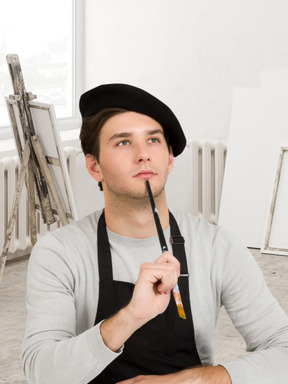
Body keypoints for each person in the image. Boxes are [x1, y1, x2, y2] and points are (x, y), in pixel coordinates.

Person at [22, 83, 288, 384]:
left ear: (170, 160)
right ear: (94, 166)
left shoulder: (217, 247)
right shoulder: (59, 253)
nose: (143, 155)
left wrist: (194, 380)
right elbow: (42, 373)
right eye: (123, 143)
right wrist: (131, 315)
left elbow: (284, 350)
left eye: (153, 140)